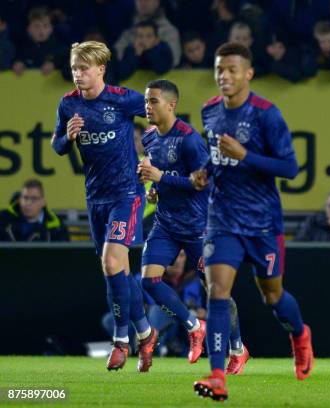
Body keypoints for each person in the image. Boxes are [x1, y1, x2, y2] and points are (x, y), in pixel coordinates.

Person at [192, 42, 314, 401]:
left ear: (248, 73)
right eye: (218, 69)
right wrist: (204, 172)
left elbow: (289, 168)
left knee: (273, 297)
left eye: (231, 69)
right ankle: (217, 375)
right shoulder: (209, 111)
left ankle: (299, 335)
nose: (223, 76)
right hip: (223, 219)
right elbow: (217, 158)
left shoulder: (267, 114)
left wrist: (246, 155)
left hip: (262, 222)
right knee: (217, 293)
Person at [51, 41, 157, 372]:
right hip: (95, 197)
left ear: (100, 69)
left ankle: (120, 342)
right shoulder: (68, 105)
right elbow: (56, 146)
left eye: (83, 69)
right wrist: (67, 138)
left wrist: (153, 147)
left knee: (112, 263)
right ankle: (146, 333)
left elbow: (159, 115)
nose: (78, 75)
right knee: (118, 272)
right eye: (74, 69)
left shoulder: (122, 99)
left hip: (127, 193)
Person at [137, 79, 248, 370]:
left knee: (216, 291)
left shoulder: (188, 139)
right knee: (149, 280)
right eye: (146, 101)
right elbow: (164, 177)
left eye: (153, 101)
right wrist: (155, 189)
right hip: (166, 223)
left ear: (171, 105)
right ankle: (193, 326)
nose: (147, 107)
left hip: (199, 226)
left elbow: (202, 182)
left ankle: (237, 349)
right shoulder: (149, 137)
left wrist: (161, 178)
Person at [0, 179, 69, 242]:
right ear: (20, 200)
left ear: (43, 202)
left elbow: (64, 253)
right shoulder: (3, 219)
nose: (28, 203)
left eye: (34, 199)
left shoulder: (57, 227)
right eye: (25, 198)